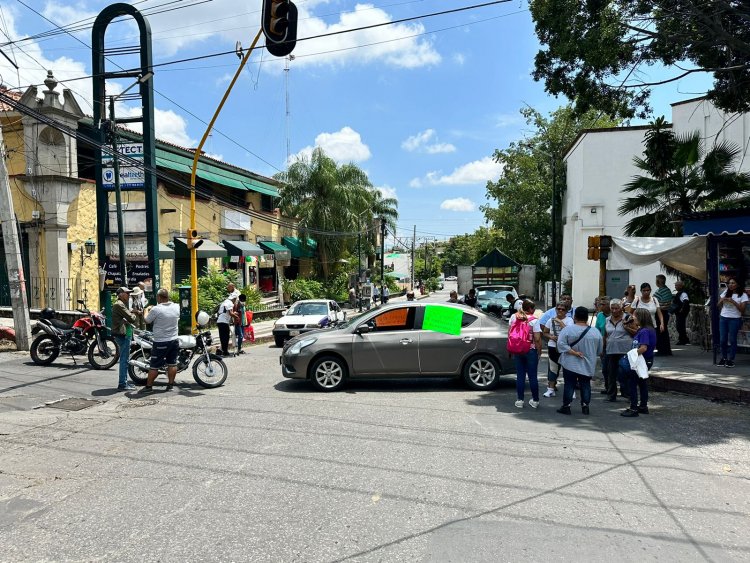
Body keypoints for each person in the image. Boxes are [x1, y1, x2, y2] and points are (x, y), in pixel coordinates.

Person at [556, 306, 603, 415]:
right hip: (588, 363)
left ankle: (566, 406)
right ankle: (585, 406)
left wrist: (572, 352)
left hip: (569, 363)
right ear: (587, 317)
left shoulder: (568, 329)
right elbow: (599, 350)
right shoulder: (595, 332)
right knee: (585, 384)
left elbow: (560, 344)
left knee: (569, 384)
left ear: (575, 316)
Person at [140, 288, 181, 392]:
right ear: (168, 297)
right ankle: (170, 385)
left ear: (159, 297)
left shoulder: (156, 309)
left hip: (160, 341)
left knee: (154, 365)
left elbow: (147, 321)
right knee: (172, 363)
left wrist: (145, 311)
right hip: (174, 340)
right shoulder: (176, 307)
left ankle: (149, 387)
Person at [620, 308, 657, 417]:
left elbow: (643, 348)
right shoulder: (648, 329)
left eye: (634, 316)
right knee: (642, 383)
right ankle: (643, 406)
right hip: (647, 360)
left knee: (633, 383)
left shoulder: (645, 331)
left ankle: (633, 408)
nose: (633, 318)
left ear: (640, 317)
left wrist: (632, 354)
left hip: (641, 360)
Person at [509, 299, 542, 408]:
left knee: (520, 376)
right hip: (531, 350)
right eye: (534, 308)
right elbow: (537, 339)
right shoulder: (534, 320)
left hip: (518, 349)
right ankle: (535, 400)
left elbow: (510, 333)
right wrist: (539, 351)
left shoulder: (514, 317)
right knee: (532, 376)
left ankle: (520, 400)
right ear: (530, 309)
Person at [602, 298, 635, 402]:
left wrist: (626, 327)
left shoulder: (628, 318)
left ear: (621, 308)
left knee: (623, 373)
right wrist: (603, 349)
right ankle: (611, 395)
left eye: (616, 308)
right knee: (610, 373)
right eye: (612, 308)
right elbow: (606, 335)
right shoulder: (607, 319)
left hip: (625, 350)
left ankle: (627, 393)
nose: (614, 310)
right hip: (611, 350)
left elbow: (635, 332)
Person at [542, 302, 573, 397]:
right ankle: (550, 389)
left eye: (562, 309)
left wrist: (559, 322)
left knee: (568, 369)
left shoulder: (569, 320)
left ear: (566, 311)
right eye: (558, 309)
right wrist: (551, 337)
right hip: (553, 347)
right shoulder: (550, 320)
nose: (560, 311)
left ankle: (571, 390)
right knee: (553, 368)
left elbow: (569, 332)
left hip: (565, 348)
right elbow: (545, 332)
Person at [717, 278, 748, 367]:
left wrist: (733, 302)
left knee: (732, 339)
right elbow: (717, 305)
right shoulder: (726, 292)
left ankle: (731, 359)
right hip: (723, 318)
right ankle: (724, 358)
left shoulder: (743, 295)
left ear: (737, 284)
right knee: (722, 340)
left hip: (734, 319)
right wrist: (722, 300)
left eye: (733, 283)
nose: (730, 285)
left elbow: (742, 310)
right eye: (729, 283)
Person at [111, 286, 138, 391]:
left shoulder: (122, 304)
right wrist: (134, 313)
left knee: (125, 359)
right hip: (122, 334)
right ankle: (122, 384)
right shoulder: (119, 305)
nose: (129, 295)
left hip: (124, 333)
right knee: (124, 360)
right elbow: (131, 318)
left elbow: (128, 318)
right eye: (127, 293)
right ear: (121, 294)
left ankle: (124, 382)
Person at [653, 275, 673, 356]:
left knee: (660, 332)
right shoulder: (667, 290)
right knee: (663, 332)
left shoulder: (661, 291)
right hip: (664, 313)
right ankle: (665, 350)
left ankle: (662, 350)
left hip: (661, 313)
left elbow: (656, 303)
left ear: (658, 282)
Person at [216, 292, 238, 356]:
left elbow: (227, 313)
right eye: (235, 299)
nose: (235, 301)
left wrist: (233, 316)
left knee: (223, 337)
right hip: (223, 322)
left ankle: (220, 350)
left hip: (220, 321)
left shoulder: (225, 301)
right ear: (234, 298)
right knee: (226, 337)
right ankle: (225, 352)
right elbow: (230, 313)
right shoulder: (230, 303)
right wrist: (237, 317)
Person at [672, 280, 691, 345]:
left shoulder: (683, 293)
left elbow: (686, 301)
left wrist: (682, 309)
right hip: (679, 312)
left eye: (676, 285)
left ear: (680, 286)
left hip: (681, 312)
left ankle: (684, 340)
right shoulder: (679, 293)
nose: (675, 287)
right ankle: (682, 340)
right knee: (679, 326)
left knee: (680, 326)